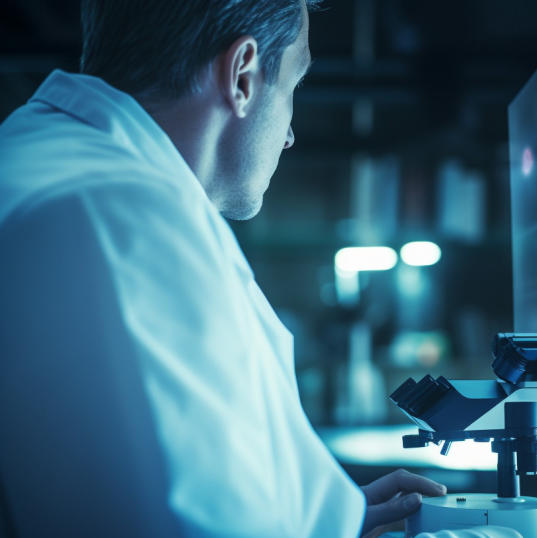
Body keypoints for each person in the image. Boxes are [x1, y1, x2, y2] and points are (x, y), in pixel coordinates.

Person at [0, 1, 446, 536]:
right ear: (241, 76)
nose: (289, 135)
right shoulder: (122, 216)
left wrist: (319, 516)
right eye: (294, 87)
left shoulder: (46, 158)